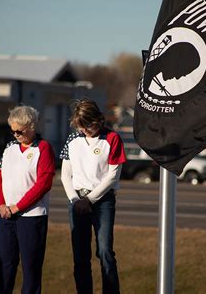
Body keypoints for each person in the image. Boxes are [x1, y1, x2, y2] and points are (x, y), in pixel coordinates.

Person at [59, 98, 126, 294]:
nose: (85, 130)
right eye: (81, 126)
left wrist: (89, 200)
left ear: (98, 119)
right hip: (76, 200)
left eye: (88, 125)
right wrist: (75, 200)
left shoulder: (112, 138)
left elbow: (113, 175)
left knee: (105, 251)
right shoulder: (72, 140)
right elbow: (65, 174)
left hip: (102, 201)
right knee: (80, 254)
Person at [0, 105, 55, 294]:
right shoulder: (9, 148)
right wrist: (2, 205)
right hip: (5, 217)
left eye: (19, 131)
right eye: (12, 131)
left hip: (31, 217)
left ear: (31, 126)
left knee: (31, 270)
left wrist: (17, 207)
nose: (16, 135)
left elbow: (43, 183)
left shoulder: (43, 148)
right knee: (4, 267)